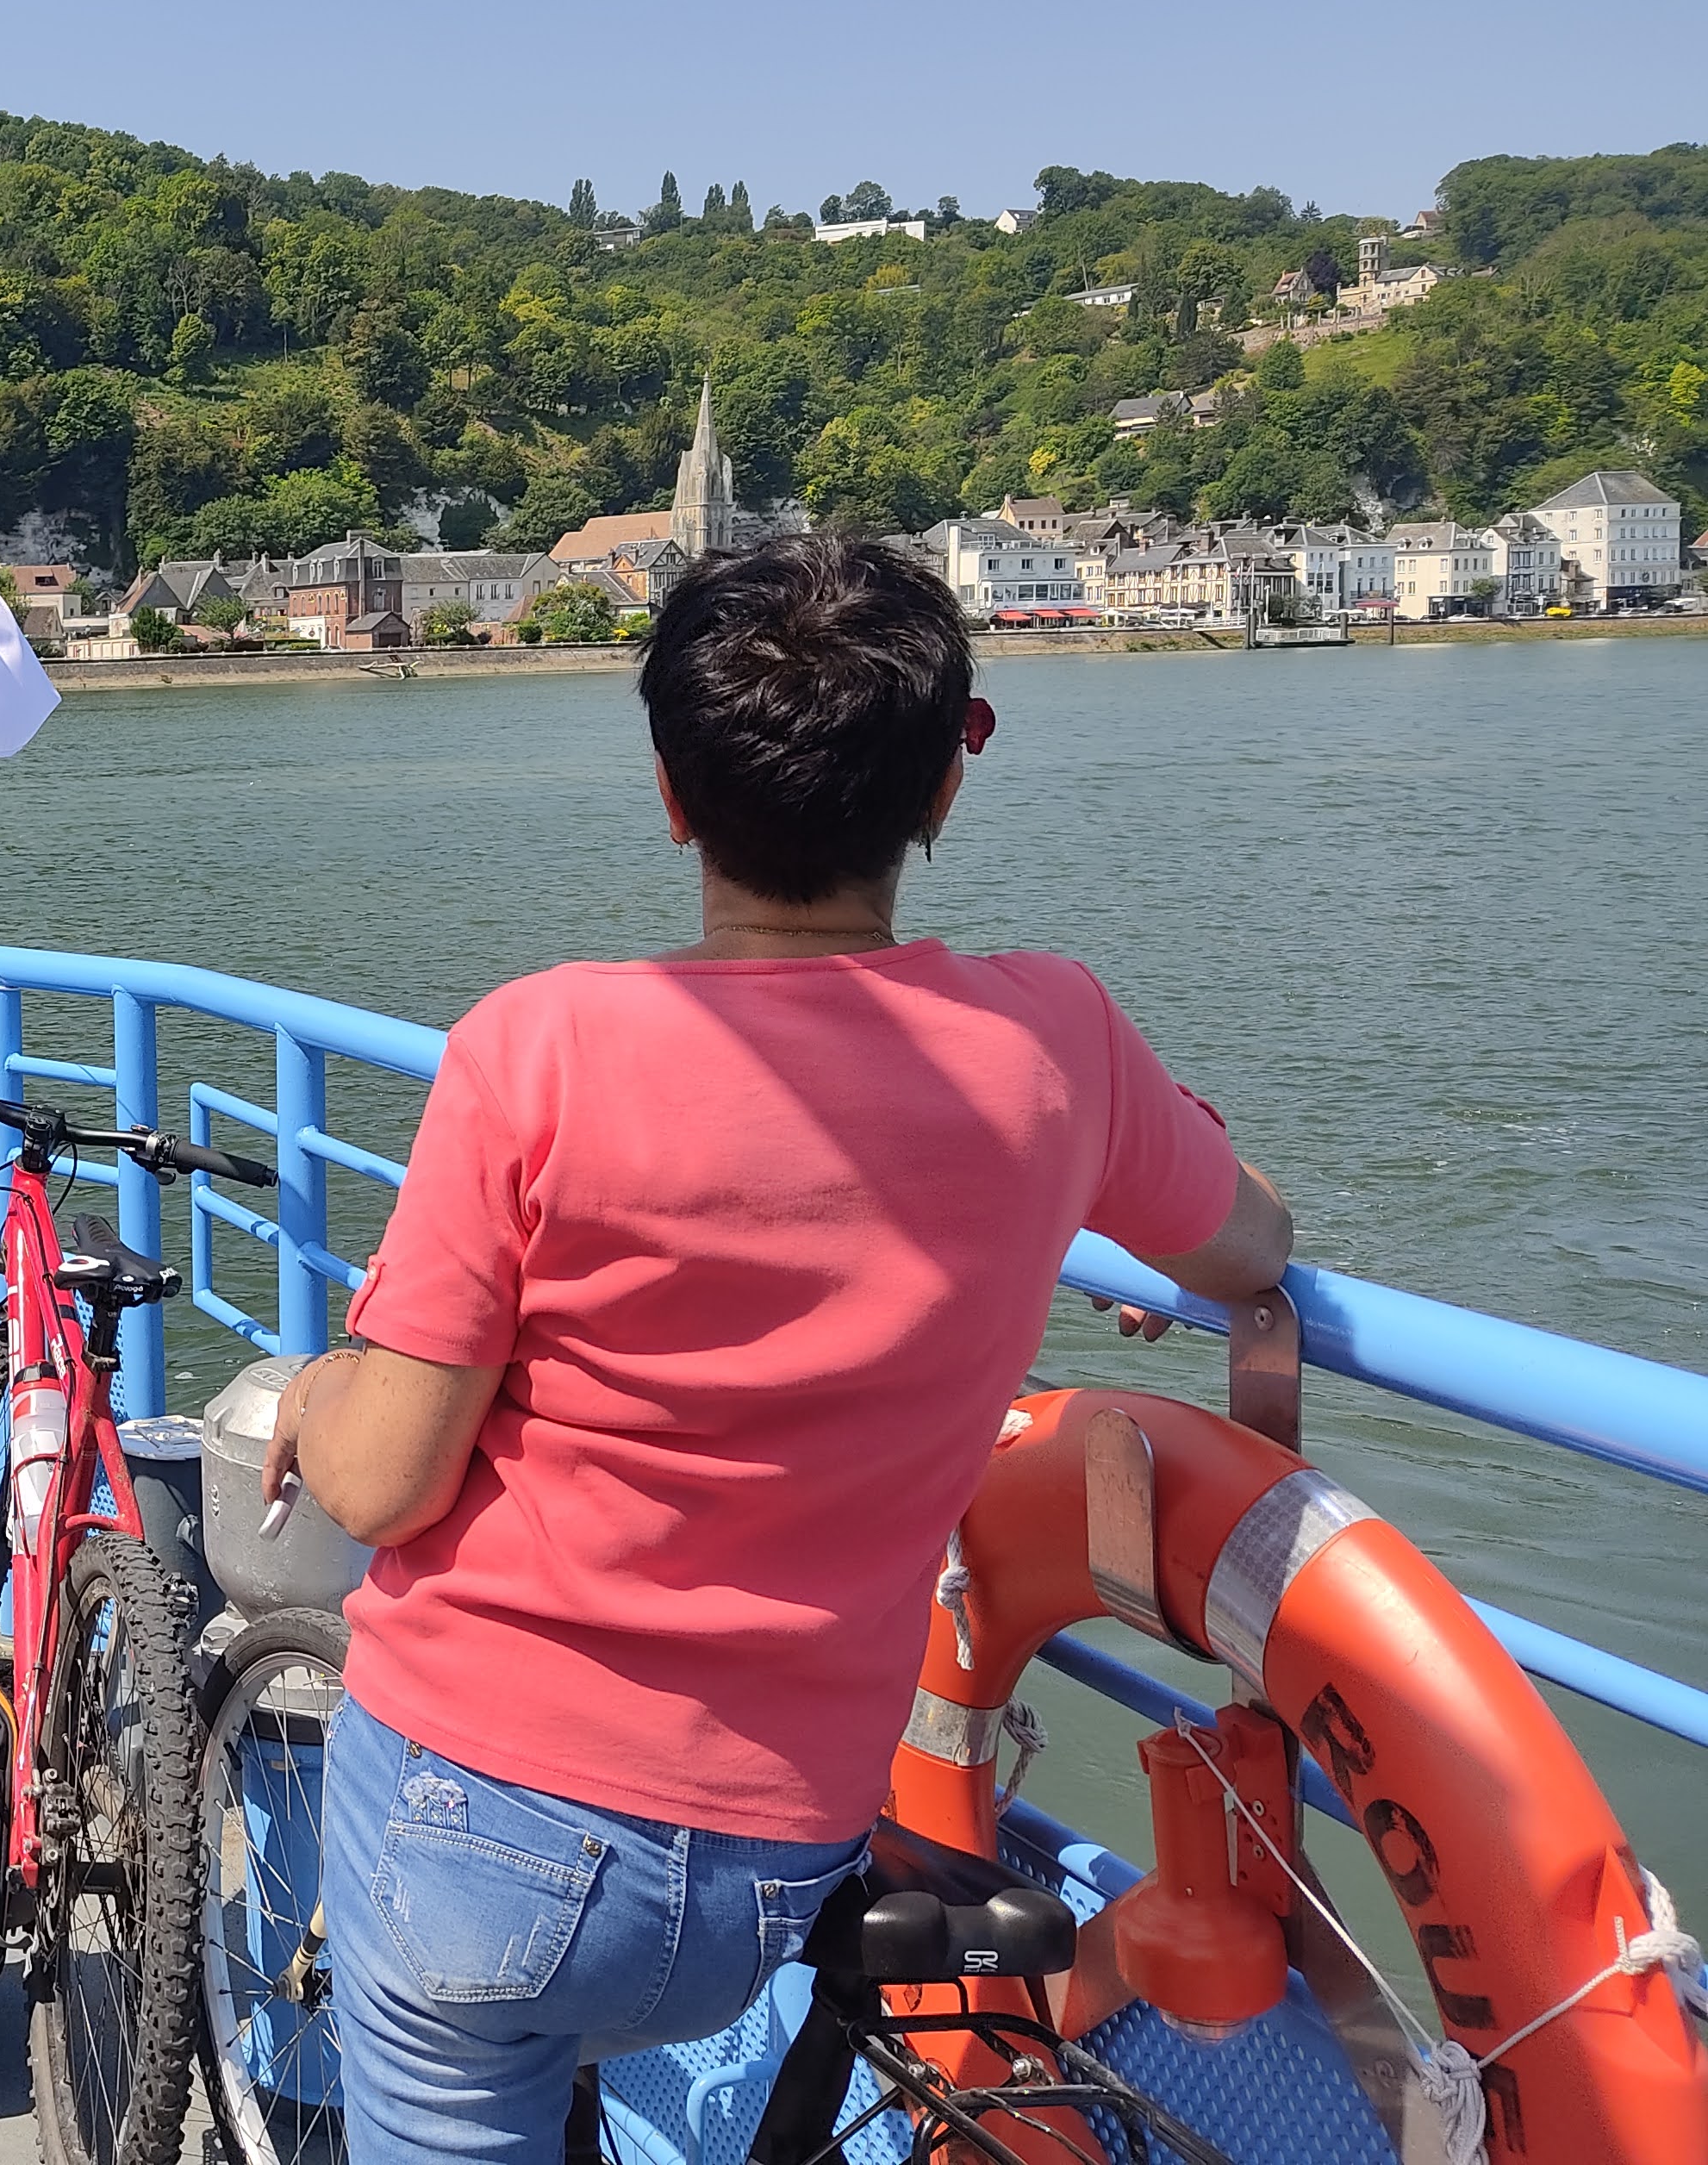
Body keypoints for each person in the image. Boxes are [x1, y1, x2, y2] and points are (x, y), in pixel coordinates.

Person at [261, 533, 1293, 2164]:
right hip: (773, 1862)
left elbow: (384, 1484)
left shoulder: (537, 1046)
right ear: (942, 789)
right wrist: (1113, 1186)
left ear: (676, 797)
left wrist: (318, 1389)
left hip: (483, 1817)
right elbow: (1250, 1245)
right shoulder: (1059, 1044)